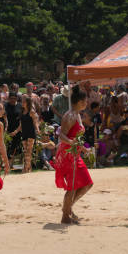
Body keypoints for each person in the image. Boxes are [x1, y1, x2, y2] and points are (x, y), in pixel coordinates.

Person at [52, 86, 93, 224]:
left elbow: (75, 136)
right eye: (85, 101)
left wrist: (83, 148)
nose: (86, 103)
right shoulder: (69, 115)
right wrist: (71, 142)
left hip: (74, 153)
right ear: (79, 101)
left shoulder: (77, 115)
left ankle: (68, 208)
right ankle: (65, 215)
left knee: (87, 184)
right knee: (73, 185)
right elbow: (61, 134)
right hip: (67, 153)